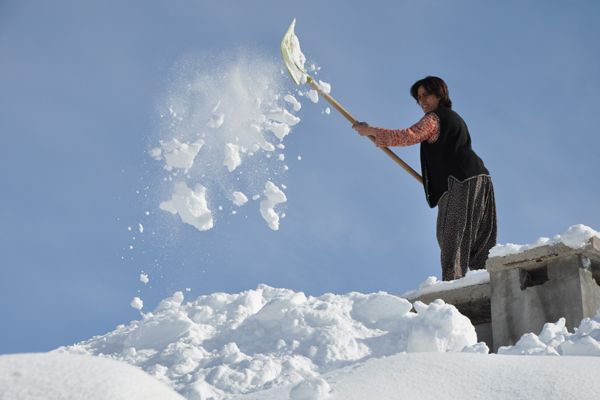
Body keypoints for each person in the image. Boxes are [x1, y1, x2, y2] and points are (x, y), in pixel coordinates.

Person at [353, 76, 497, 281]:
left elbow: (409, 135)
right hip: (480, 179)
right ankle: (484, 280)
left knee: (450, 235)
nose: (422, 101)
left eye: (426, 95)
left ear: (440, 94)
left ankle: (452, 286)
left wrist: (370, 131)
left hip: (459, 181)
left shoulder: (435, 118)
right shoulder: (453, 118)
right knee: (477, 239)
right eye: (419, 98)